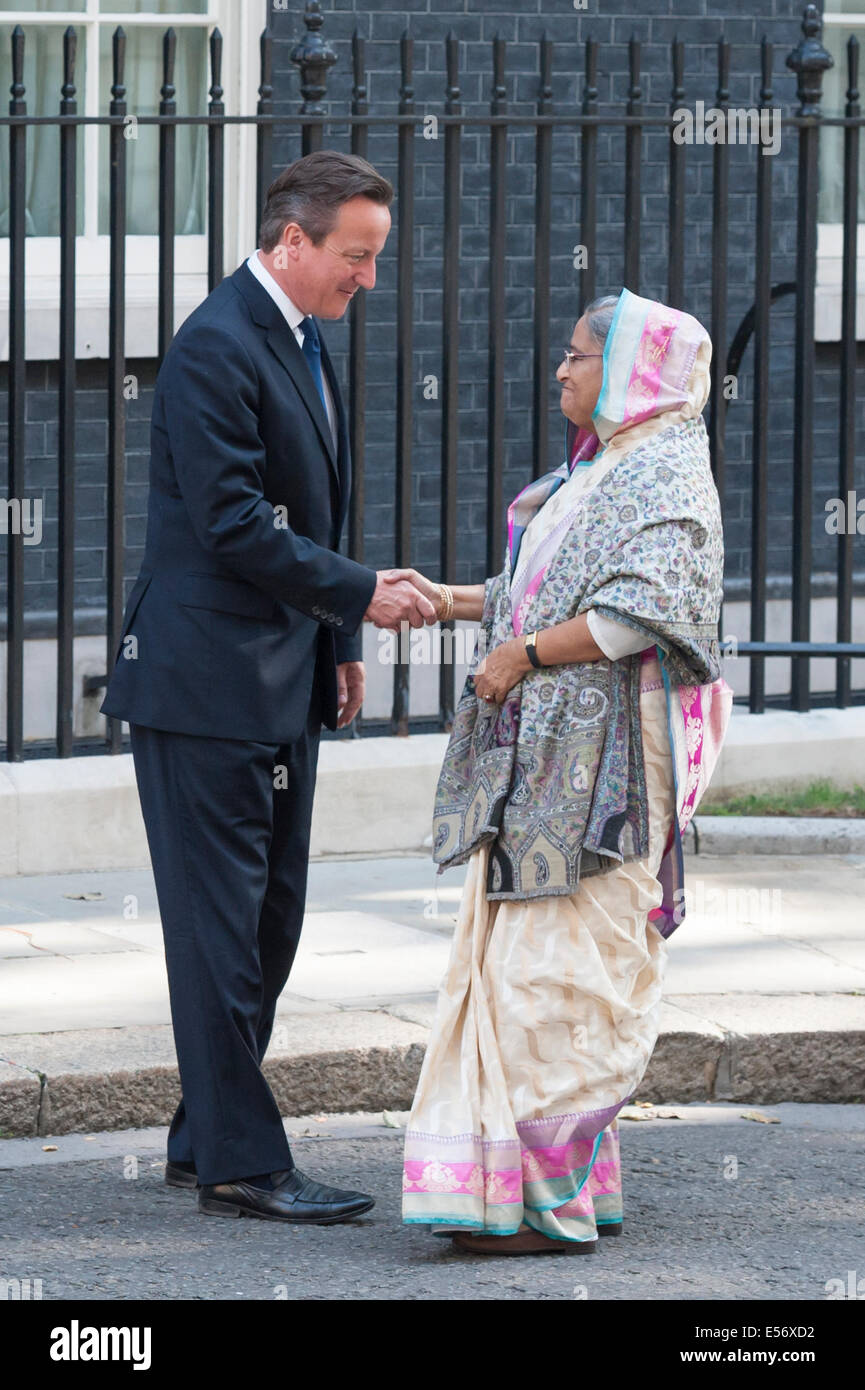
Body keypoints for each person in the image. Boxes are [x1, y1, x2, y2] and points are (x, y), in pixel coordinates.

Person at [100, 150, 436, 1225]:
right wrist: (360, 592)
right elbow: (234, 521)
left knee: (268, 926)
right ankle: (245, 1161)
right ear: (291, 241)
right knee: (221, 932)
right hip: (204, 688)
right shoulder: (215, 344)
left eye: (375, 258)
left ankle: (205, 1139)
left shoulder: (298, 334)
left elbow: (310, 505)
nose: (366, 279)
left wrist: (338, 631)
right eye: (354, 256)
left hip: (283, 675)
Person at [392, 287, 733, 1254]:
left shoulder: (666, 470)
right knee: (517, 968)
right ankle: (521, 1190)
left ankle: (541, 1203)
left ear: (630, 370)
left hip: (610, 768)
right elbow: (539, 590)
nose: (561, 368)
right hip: (547, 759)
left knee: (564, 972)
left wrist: (521, 656)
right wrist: (451, 602)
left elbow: (649, 614)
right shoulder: (599, 470)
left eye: (579, 354)